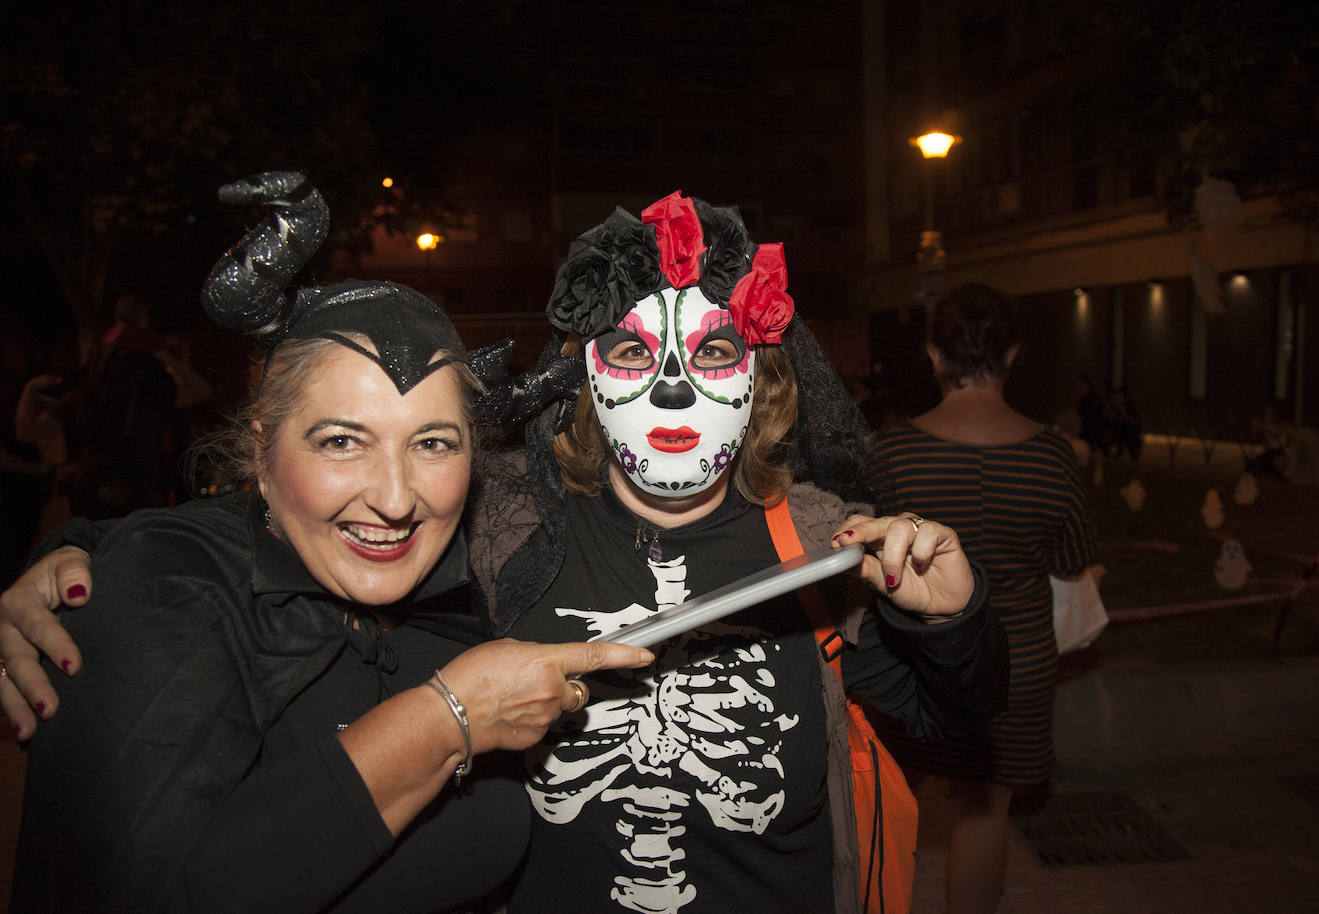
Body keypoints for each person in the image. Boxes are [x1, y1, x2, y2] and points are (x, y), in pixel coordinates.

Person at [2, 190, 1010, 914]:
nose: (670, 392)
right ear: (585, 375)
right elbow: (319, 533)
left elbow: (956, 723)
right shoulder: (502, 525)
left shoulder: (820, 542)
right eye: (629, 351)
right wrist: (93, 554)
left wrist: (953, 616)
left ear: (764, 378)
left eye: (710, 352)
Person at [4, 172, 654, 913]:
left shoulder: (483, 586)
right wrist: (450, 717)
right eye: (342, 440)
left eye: (434, 443)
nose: (395, 497)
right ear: (259, 451)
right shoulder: (169, 587)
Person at [867, 283, 1094, 914]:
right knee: (984, 808)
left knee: (887, 797)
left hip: (913, 661)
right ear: (1013, 354)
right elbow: (1074, 563)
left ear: (935, 356)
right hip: (1015, 665)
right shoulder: (1054, 456)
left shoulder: (889, 452)